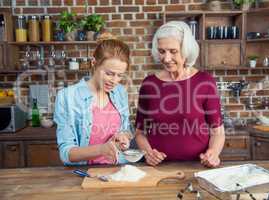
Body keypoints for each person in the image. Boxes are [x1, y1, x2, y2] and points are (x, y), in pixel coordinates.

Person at [135, 21, 225, 168]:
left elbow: (217, 131)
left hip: (197, 166)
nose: (166, 58)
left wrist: (213, 153)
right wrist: (148, 153)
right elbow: (140, 132)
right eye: (162, 51)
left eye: (173, 51)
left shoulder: (205, 82)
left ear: (186, 50)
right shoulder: (149, 84)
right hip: (158, 168)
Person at [54, 37, 133, 165]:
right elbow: (66, 153)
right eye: (109, 73)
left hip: (117, 169)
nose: (114, 81)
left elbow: (126, 130)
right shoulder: (67, 97)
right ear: (94, 63)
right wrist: (101, 149)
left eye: (120, 75)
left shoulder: (120, 93)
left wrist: (123, 137)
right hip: (84, 174)